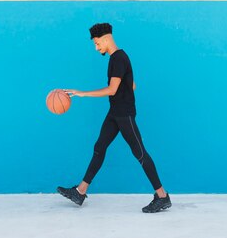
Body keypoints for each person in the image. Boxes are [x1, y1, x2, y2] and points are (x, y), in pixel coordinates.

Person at [58, 22, 172, 213]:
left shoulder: (118, 58)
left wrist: (82, 93)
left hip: (124, 114)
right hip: (115, 112)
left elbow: (112, 89)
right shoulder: (117, 58)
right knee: (99, 147)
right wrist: (125, 87)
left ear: (106, 38)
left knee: (140, 153)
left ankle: (162, 196)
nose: (96, 48)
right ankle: (80, 191)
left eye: (96, 43)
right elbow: (132, 85)